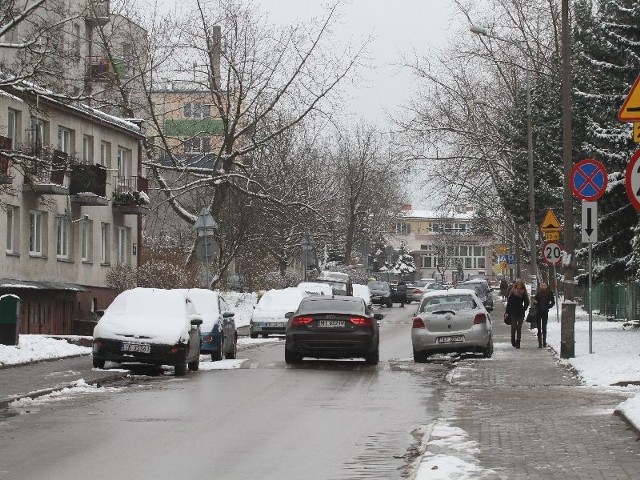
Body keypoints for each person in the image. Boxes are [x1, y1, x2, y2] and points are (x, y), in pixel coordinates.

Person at [505, 279, 529, 349]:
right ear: (516, 285)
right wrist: (507, 312)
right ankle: (513, 339)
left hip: (520, 312)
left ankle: (518, 341)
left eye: (520, 285)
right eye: (517, 285)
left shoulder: (523, 292)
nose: (519, 286)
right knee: (514, 327)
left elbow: (527, 302)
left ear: (522, 286)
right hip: (512, 312)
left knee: (519, 327)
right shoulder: (512, 292)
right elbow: (509, 303)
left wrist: (524, 309)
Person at [533, 282, 555, 348]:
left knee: (544, 327)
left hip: (545, 312)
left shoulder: (549, 293)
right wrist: (535, 303)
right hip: (538, 312)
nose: (543, 286)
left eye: (544, 285)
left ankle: (544, 342)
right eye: (542, 285)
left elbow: (553, 302)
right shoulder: (538, 293)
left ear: (547, 286)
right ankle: (540, 343)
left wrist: (548, 307)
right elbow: (535, 301)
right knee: (539, 328)